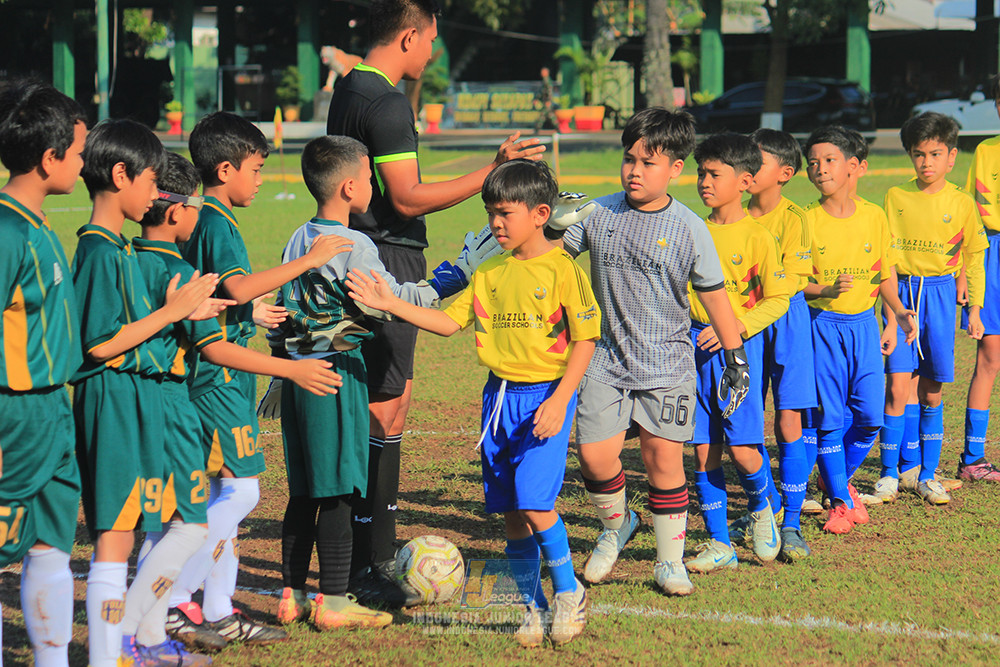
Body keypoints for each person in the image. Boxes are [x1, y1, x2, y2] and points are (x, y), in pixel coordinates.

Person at [325, 0, 545, 606]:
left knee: (373, 406)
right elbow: (408, 197)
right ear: (409, 35)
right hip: (388, 256)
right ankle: (369, 566)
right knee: (385, 412)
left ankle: (362, 558)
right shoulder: (389, 101)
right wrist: (494, 171)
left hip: (353, 249)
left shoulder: (348, 89)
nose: (432, 53)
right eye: (430, 41)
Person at [346, 159, 601, 647]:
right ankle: (532, 603)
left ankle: (570, 592)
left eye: (505, 213)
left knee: (534, 500)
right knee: (508, 508)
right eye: (490, 214)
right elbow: (446, 322)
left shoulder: (563, 270)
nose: (496, 224)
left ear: (541, 212)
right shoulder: (488, 272)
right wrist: (389, 302)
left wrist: (561, 399)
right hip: (498, 398)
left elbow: (586, 339)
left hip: (546, 395)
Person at [132, 152, 344, 654]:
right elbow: (234, 286)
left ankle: (218, 608)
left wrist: (249, 312)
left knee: (216, 494)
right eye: (256, 169)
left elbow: (224, 297)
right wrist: (308, 262)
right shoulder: (215, 222)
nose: (261, 180)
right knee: (237, 494)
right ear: (225, 170)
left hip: (216, 372)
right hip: (218, 378)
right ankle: (176, 596)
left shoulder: (203, 222)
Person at [548, 108, 749, 596]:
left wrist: (735, 358)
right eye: (629, 159)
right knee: (594, 459)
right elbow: (549, 256)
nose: (635, 171)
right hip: (604, 361)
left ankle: (669, 561)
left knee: (663, 462)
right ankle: (618, 524)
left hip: (666, 364)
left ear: (676, 169)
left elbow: (715, 295)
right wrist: (548, 223)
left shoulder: (689, 227)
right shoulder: (598, 213)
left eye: (649, 163)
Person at [270, 135, 446, 631]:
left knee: (304, 490)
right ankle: (332, 601)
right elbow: (384, 301)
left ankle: (291, 594)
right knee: (340, 490)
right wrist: (446, 282)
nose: (374, 186)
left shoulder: (298, 238)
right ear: (350, 186)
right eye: (369, 178)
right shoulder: (358, 244)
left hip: (297, 375)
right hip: (336, 376)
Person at [70, 119, 222, 667]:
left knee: (131, 533)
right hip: (112, 400)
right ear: (120, 174)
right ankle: (116, 651)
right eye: (153, 181)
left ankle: (132, 645)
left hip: (132, 399)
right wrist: (174, 312)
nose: (158, 195)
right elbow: (99, 345)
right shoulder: (98, 251)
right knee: (114, 539)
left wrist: (188, 312)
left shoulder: (118, 249)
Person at [0, 79, 85, 667]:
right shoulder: (5, 231)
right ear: (49, 158)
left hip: (57, 410)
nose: (84, 165)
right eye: (79, 154)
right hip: (15, 413)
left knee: (53, 543)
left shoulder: (39, 224)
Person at [801, 125, 916, 535]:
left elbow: (883, 273)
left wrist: (897, 314)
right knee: (830, 417)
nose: (819, 169)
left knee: (869, 415)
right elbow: (796, 279)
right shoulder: (806, 221)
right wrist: (824, 289)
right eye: (813, 163)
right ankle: (838, 500)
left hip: (865, 327)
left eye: (829, 161)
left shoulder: (874, 216)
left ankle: (836, 480)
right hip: (822, 328)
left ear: (856, 167)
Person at [686, 133, 789, 573]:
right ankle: (719, 542)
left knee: (744, 449)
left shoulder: (759, 238)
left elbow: (778, 298)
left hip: (736, 355)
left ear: (745, 181)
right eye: (700, 172)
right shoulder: (689, 228)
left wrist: (734, 329)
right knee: (702, 448)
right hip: (688, 349)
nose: (704, 181)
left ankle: (763, 510)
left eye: (714, 174)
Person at [878, 112, 988, 505]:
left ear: (952, 156)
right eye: (918, 154)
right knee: (897, 384)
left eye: (935, 154)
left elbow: (974, 258)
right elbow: (885, 258)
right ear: (910, 155)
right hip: (903, 293)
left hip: (940, 295)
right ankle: (892, 473)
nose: (926, 162)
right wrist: (891, 315)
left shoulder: (960, 202)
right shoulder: (896, 197)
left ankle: (927, 474)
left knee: (932, 390)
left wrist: (974, 308)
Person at [744, 128, 817, 560]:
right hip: (745, 327)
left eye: (758, 161)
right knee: (747, 420)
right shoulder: (730, 215)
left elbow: (793, 279)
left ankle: (790, 523)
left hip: (785, 320)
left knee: (788, 418)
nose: (749, 169)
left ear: (785, 173)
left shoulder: (794, 218)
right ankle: (765, 507)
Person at [959, 73, 1000, 482]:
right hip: (994, 257)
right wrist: (964, 274)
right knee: (990, 359)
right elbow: (972, 219)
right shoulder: (986, 152)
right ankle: (973, 458)